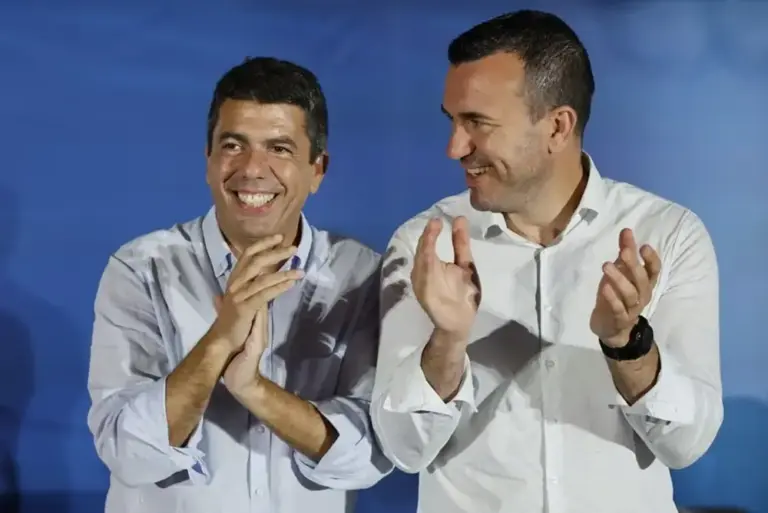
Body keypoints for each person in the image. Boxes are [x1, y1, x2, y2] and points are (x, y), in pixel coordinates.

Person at [371, 10, 722, 513]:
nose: (454, 147)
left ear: (558, 126)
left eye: (477, 123)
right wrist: (447, 342)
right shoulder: (426, 244)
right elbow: (404, 448)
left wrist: (627, 344)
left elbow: (686, 445)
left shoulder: (668, 236)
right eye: (452, 121)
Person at [87, 56, 392, 513]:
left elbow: (370, 456)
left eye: (280, 148)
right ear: (209, 160)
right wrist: (219, 342)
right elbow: (126, 451)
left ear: (318, 170)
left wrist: (254, 389)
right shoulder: (140, 268)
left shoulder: (360, 276)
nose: (252, 169)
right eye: (233, 145)